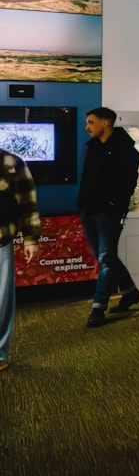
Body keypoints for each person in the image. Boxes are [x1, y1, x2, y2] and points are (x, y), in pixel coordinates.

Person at [78, 106, 139, 328]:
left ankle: (98, 307)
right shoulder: (93, 148)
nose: (87, 127)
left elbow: (127, 183)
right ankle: (131, 292)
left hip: (109, 213)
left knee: (106, 258)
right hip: (88, 210)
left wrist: (114, 205)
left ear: (105, 123)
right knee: (106, 257)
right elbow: (86, 177)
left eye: (90, 122)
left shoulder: (126, 150)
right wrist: (82, 203)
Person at [0, 149, 40, 372]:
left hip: (1, 240)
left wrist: (30, 238)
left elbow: (27, 203)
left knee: (1, 301)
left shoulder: (12, 163)